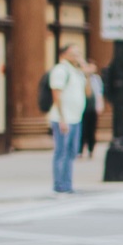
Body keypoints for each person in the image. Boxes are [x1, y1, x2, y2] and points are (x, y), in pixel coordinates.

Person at [45, 45, 89, 194]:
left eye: (79, 53)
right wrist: (62, 118)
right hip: (63, 118)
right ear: (64, 55)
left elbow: (88, 93)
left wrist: (86, 73)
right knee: (61, 152)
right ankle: (59, 184)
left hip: (76, 117)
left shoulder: (77, 72)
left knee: (72, 152)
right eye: (74, 53)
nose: (77, 56)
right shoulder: (60, 70)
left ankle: (68, 184)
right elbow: (56, 94)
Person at [80, 65, 103, 157]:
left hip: (92, 107)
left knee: (92, 129)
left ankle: (91, 149)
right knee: (82, 130)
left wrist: (100, 105)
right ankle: (80, 150)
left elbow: (99, 92)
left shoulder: (96, 79)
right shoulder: (80, 78)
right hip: (82, 108)